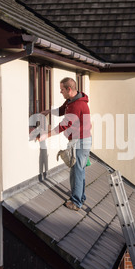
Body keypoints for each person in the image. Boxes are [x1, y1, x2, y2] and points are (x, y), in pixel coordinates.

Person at [38, 78, 92, 211]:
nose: (60, 91)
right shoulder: (71, 101)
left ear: (69, 89)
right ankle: (80, 197)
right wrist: (49, 112)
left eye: (62, 89)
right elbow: (62, 110)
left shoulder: (76, 105)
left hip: (80, 142)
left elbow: (64, 124)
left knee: (77, 172)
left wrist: (47, 135)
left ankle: (76, 202)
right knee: (79, 170)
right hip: (80, 140)